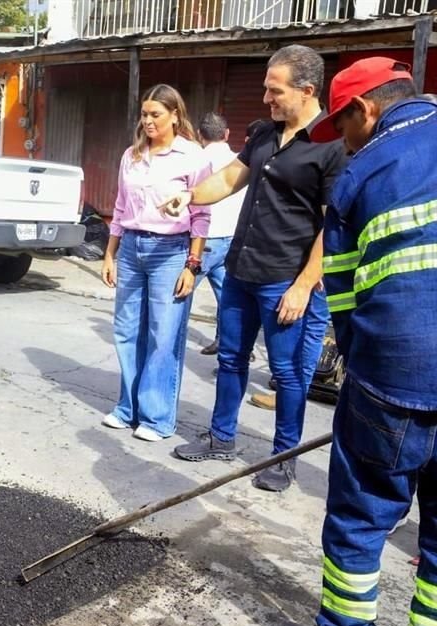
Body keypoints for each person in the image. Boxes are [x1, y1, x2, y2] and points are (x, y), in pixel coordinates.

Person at [276, 57, 437, 626]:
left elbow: (341, 297)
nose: (342, 142)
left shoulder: (364, 173)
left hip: (395, 378)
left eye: (342, 127)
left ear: (364, 110)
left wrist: (360, 382)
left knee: (361, 520)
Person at [166, 44, 346, 491]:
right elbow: (229, 178)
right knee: (230, 359)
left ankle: (284, 458)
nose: (266, 98)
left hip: (285, 278)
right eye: (266, 89)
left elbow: (332, 222)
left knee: (287, 373)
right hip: (242, 268)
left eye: (274, 90)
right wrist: (188, 196)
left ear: (307, 90)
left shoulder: (330, 145)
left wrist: (305, 284)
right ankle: (221, 437)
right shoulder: (265, 132)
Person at [99, 84, 212, 442]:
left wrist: (192, 264)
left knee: (163, 336)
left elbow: (202, 214)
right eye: (144, 114)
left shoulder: (192, 156)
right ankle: (127, 408)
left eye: (156, 115)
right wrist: (110, 253)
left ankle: (157, 418)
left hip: (171, 251)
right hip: (132, 249)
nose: (147, 121)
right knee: (127, 330)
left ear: (175, 116)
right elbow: (119, 206)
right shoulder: (131, 156)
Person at [195, 113, 247, 356]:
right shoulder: (240, 161)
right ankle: (228, 344)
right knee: (228, 298)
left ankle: (165, 345)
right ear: (226, 134)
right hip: (234, 239)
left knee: (178, 295)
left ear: (199, 135)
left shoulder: (195, 160)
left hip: (205, 241)